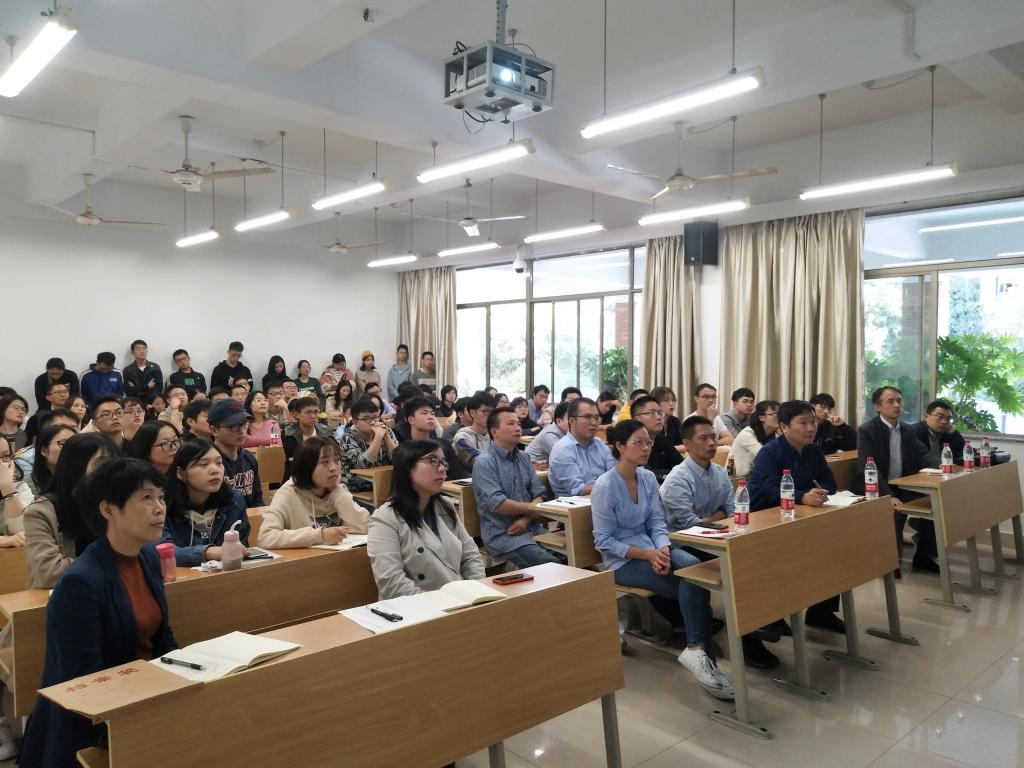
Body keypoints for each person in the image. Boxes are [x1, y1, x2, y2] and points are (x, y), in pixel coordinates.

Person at [18, 457, 176, 768]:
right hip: (91, 726)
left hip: (142, 698)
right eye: (146, 498)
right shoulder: (80, 582)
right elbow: (83, 683)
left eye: (161, 497)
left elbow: (162, 637)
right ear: (108, 510)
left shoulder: (146, 557)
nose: (160, 508)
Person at [594, 420, 735, 698]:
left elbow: (657, 523)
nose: (647, 448)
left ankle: (697, 652)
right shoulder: (605, 486)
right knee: (691, 585)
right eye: (639, 442)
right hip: (623, 560)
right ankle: (703, 658)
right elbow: (604, 541)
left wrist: (663, 549)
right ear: (620, 446)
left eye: (648, 442)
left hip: (655, 548)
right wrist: (648, 554)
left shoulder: (647, 478)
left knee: (694, 571)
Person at [659, 416, 781, 667]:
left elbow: (732, 509)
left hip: (715, 536)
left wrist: (714, 517)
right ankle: (748, 638)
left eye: (713, 437)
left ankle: (762, 620)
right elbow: (689, 524)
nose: (711, 443)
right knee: (738, 566)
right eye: (703, 438)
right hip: (682, 543)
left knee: (758, 555)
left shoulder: (717, 471)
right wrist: (716, 516)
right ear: (686, 444)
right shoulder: (677, 478)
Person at [746, 401, 845, 632]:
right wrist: (802, 496)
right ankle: (770, 616)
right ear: (783, 427)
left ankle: (821, 611)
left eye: (813, 423)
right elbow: (769, 489)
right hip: (764, 519)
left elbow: (830, 481)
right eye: (803, 423)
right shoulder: (769, 452)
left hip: (798, 516)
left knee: (834, 548)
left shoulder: (814, 450)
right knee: (784, 561)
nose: (810, 428)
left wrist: (820, 492)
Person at [367, 440, 485, 599]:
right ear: (408, 467)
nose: (442, 469)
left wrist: (477, 592)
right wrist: (441, 603)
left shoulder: (445, 505)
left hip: (461, 599)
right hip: (416, 606)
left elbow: (470, 556)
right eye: (433, 461)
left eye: (443, 462)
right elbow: (391, 583)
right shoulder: (385, 518)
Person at [854, 386, 939, 576]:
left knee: (936, 503)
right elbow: (868, 467)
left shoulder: (907, 430)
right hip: (875, 487)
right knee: (894, 511)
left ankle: (923, 557)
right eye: (891, 401)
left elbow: (924, 456)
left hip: (901, 486)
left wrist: (944, 466)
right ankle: (890, 564)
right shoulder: (867, 430)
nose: (897, 405)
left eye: (899, 400)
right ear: (878, 406)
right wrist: (888, 495)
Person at [474, 408, 565, 567]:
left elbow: (539, 493)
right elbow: (498, 504)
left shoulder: (524, 457)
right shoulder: (485, 462)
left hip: (531, 527)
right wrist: (533, 508)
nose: (517, 428)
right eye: (511, 424)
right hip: (504, 535)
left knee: (574, 557)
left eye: (518, 424)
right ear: (494, 431)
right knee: (552, 565)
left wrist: (526, 519)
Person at [24, 432, 115, 589]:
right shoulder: (41, 512)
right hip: (61, 594)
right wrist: (112, 561)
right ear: (76, 468)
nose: (110, 472)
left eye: (113, 464)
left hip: (109, 589)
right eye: (101, 465)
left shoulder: (116, 504)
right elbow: (49, 573)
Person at [259, 437, 369, 548]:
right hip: (305, 558)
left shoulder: (337, 490)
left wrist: (337, 492)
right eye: (325, 462)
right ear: (307, 466)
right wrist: (319, 535)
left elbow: (364, 526)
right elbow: (266, 537)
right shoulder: (288, 493)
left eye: (337, 460)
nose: (333, 468)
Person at [161, 438, 250, 566]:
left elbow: (241, 546)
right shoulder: (163, 506)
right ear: (181, 473)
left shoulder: (233, 501)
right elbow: (162, 551)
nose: (215, 470)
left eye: (219, 463)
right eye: (203, 464)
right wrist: (208, 552)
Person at [548, 398, 616, 497]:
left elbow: (615, 474)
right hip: (576, 505)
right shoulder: (562, 450)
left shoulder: (600, 444)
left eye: (597, 418)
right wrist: (614, 486)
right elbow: (578, 490)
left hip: (605, 499)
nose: (594, 422)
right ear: (572, 421)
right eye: (587, 417)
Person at [207, 398, 264, 508]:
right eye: (234, 426)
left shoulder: (249, 458)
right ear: (214, 430)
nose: (242, 431)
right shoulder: (208, 464)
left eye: (244, 424)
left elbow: (257, 498)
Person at [340, 397, 399, 493]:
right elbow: (364, 465)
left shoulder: (386, 431)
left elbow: (399, 459)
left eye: (375, 417)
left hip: (386, 484)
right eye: (366, 419)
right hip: (358, 490)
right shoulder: (347, 438)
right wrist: (378, 437)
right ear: (355, 422)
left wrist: (386, 437)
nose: (372, 422)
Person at [402, 396, 467, 480]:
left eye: (432, 413)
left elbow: (457, 473)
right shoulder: (404, 450)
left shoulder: (444, 444)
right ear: (411, 420)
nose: (431, 417)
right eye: (424, 413)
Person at [631, 395, 681, 481]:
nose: (658, 417)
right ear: (637, 418)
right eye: (652, 413)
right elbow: (646, 475)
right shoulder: (632, 443)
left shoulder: (661, 439)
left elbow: (681, 464)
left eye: (660, 413)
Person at [728, 400, 781, 478]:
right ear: (761, 417)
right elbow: (765, 456)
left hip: (758, 476)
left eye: (779, 414)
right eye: (773, 414)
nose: (778, 417)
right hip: (739, 479)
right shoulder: (747, 434)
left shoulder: (773, 435)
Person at [26, 423, 76, 497]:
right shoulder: (27, 488)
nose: (71, 449)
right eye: (63, 444)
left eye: (74, 444)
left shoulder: (83, 481)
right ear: (44, 450)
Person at [909, 399, 966, 465]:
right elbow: (919, 459)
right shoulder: (914, 432)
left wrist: (953, 433)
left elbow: (963, 454)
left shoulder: (945, 434)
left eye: (948, 419)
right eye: (940, 417)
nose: (944, 422)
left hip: (942, 470)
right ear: (926, 417)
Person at [283, 397, 334, 464]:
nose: (313, 416)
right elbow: (291, 458)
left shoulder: (326, 431)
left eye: (316, 412)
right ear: (297, 414)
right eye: (308, 412)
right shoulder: (289, 433)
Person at [453, 392, 495, 470]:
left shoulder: (494, 434)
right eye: (486, 411)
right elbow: (477, 461)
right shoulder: (462, 437)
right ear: (472, 413)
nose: (490, 416)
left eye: (492, 412)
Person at [0, 435, 28, 546]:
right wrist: (7, 540)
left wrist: (8, 489)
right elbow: (14, 539)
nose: (2, 464)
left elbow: (23, 534)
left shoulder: (20, 488)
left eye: (6, 456)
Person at [122, 339, 164, 406]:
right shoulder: (128, 370)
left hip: (153, 404)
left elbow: (159, 388)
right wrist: (147, 386)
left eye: (144, 349)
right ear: (132, 352)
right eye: (138, 349)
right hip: (136, 404)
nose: (142, 351)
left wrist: (138, 389)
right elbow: (129, 392)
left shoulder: (155, 367)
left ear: (146, 351)